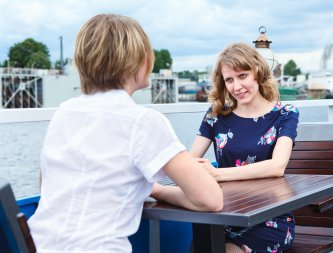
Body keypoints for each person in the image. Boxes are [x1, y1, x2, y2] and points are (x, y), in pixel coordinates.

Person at [28, 14, 223, 253]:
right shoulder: (143, 122)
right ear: (137, 61)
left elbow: (45, 187)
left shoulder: (64, 112)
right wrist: (156, 189)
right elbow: (211, 199)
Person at [190, 42, 299, 253]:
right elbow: (189, 160)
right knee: (199, 247)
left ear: (257, 72)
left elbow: (277, 166)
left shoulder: (285, 113)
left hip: (269, 218)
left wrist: (217, 174)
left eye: (242, 76)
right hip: (224, 214)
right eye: (229, 80)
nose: (236, 87)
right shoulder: (216, 114)